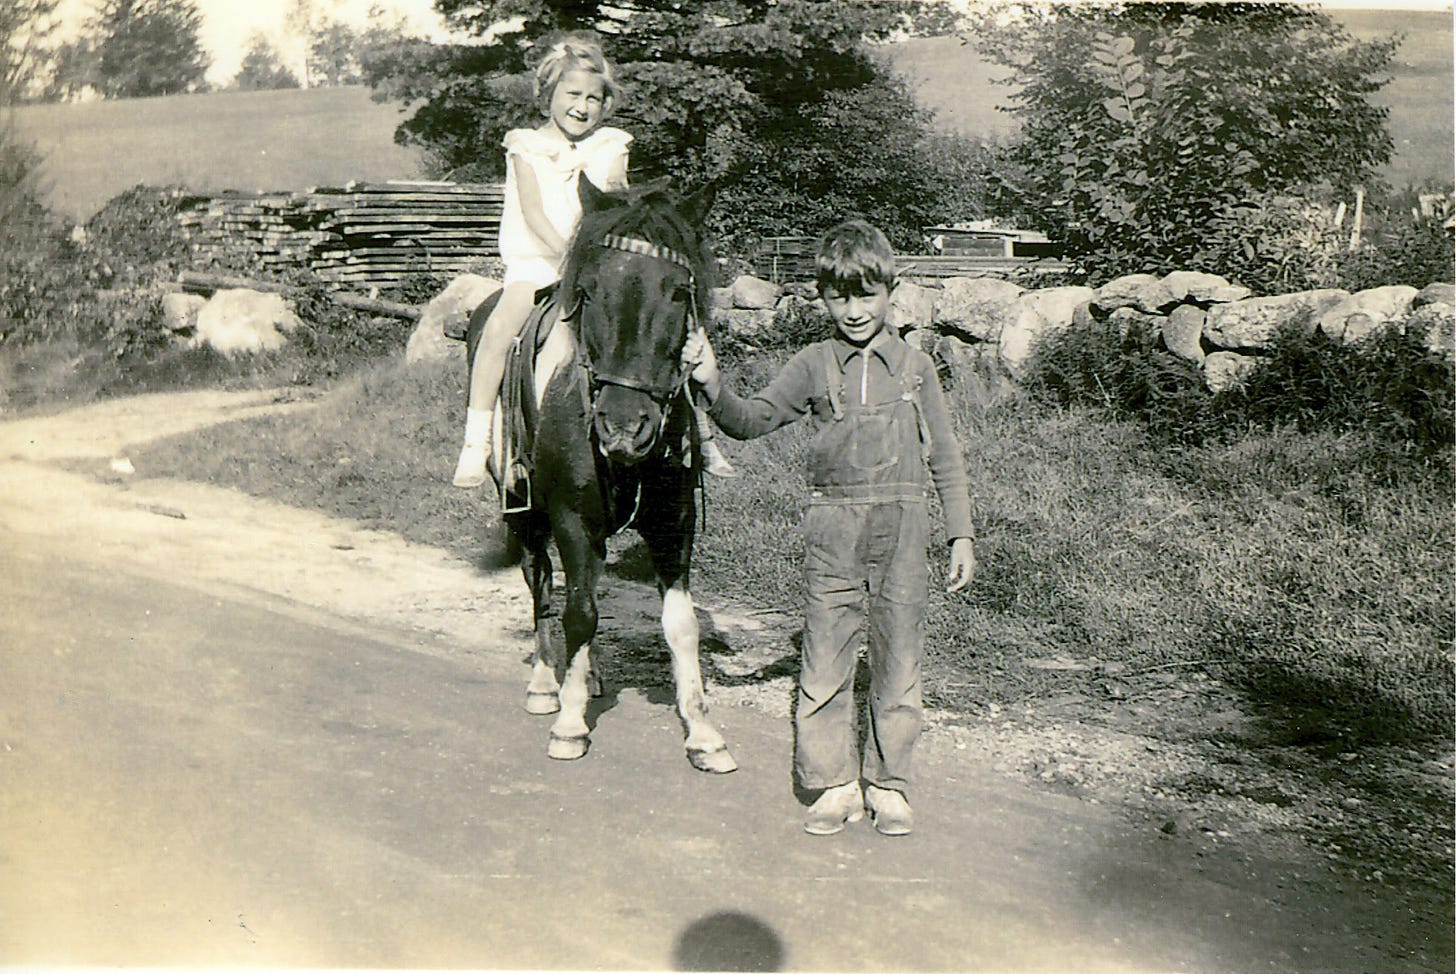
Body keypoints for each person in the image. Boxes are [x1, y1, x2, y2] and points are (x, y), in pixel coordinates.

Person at [682, 220, 976, 836]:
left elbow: (945, 455)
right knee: (823, 662)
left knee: (899, 658)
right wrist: (711, 384)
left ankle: (890, 784)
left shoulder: (917, 368)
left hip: (904, 525)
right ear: (822, 297)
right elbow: (751, 419)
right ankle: (834, 782)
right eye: (839, 296)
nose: (854, 310)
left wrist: (961, 534)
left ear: (889, 291)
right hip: (833, 528)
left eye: (866, 294)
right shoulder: (812, 365)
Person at [452, 34, 734, 488]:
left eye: (594, 98)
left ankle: (700, 434)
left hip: (602, 268)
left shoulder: (610, 145)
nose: (582, 107)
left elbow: (619, 208)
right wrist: (571, 256)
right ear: (548, 95)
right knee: (499, 331)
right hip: (540, 264)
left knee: (678, 330)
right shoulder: (526, 146)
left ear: (606, 104)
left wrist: (606, 259)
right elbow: (533, 213)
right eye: (572, 95)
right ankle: (478, 441)